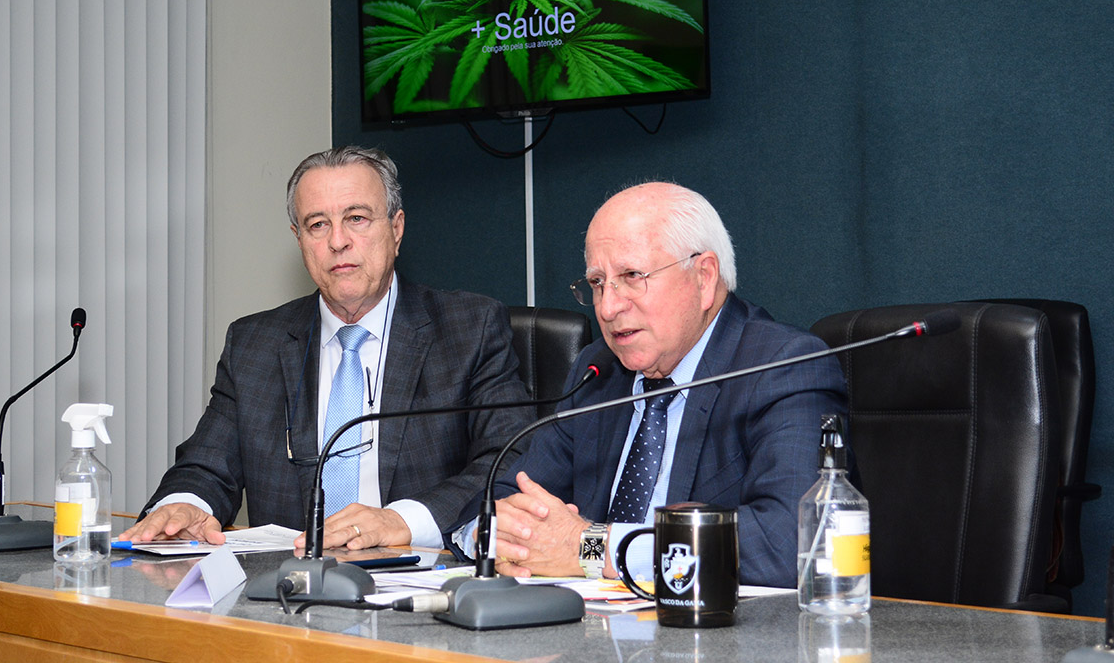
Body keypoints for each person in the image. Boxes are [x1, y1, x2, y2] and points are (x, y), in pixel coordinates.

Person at [120, 146, 532, 551]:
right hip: (284, 593)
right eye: (318, 224)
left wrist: (400, 520)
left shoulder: (468, 329)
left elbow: (509, 459)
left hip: (416, 584)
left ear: (396, 228)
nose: (338, 241)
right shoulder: (255, 343)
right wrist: (183, 505)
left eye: (356, 218)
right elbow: (206, 464)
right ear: (299, 239)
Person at [450, 182, 848, 587]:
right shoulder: (598, 372)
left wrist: (590, 547)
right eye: (597, 283)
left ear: (704, 277)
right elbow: (495, 502)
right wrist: (499, 537)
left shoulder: (784, 366)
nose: (608, 307)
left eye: (631, 276)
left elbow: (795, 540)